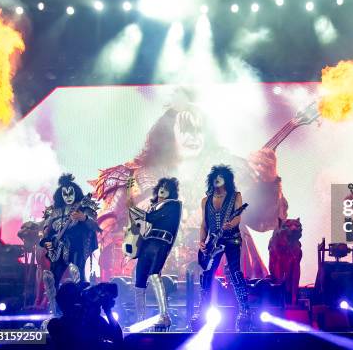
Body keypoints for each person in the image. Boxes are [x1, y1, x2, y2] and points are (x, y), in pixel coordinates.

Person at [90, 88, 287, 281]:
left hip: (221, 279)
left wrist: (270, 182)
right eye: (186, 130)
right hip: (150, 278)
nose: (193, 137)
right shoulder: (134, 175)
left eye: (198, 131)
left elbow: (264, 221)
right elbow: (104, 223)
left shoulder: (232, 172)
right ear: (167, 134)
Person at [191, 165, 250, 331]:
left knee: (235, 272)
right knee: (207, 274)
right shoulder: (206, 200)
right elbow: (204, 224)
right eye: (215, 176)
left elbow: (238, 215)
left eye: (221, 176)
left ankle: (245, 310)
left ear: (227, 179)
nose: (217, 178)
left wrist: (232, 223)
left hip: (232, 239)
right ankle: (202, 310)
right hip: (213, 244)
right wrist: (202, 241)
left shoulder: (235, 196)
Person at [39, 174, 100, 318]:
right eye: (64, 194)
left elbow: (94, 225)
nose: (67, 196)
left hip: (77, 248)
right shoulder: (54, 211)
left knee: (78, 276)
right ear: (60, 195)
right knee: (52, 279)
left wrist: (84, 218)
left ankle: (82, 308)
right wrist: (46, 242)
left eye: (70, 193)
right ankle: (55, 311)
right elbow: (46, 232)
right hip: (58, 250)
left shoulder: (84, 207)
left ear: (76, 192)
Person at [127, 177, 182, 328]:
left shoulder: (173, 205)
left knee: (154, 275)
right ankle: (140, 320)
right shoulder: (152, 207)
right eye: (161, 186)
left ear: (171, 192)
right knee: (139, 282)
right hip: (146, 245)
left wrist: (133, 208)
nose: (162, 190)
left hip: (161, 243)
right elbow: (142, 226)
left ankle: (165, 316)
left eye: (167, 188)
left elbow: (151, 218)